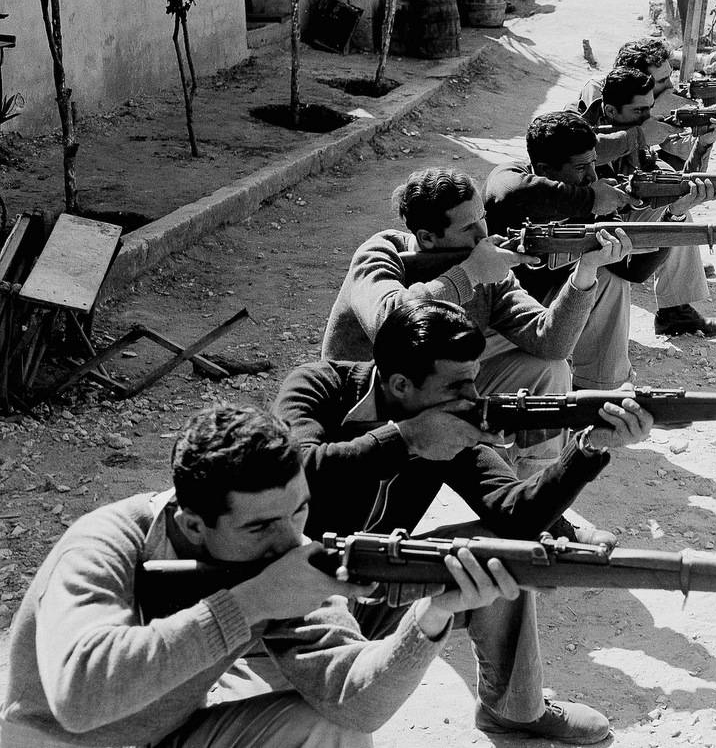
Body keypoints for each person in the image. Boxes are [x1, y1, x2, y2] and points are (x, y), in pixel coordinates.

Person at [0, 403, 519, 748]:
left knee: (330, 732)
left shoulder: (278, 560)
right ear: (194, 525)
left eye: (300, 511)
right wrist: (249, 603)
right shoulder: (105, 542)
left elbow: (356, 704)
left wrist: (431, 618)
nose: (292, 540)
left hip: (164, 739)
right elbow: (79, 700)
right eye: (261, 525)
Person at [277, 299, 653, 742]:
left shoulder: (450, 422)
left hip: (378, 584)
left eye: (473, 383)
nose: (472, 400)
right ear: (400, 384)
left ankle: (514, 710)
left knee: (499, 551)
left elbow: (514, 514)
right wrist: (406, 440)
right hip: (292, 600)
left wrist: (587, 449)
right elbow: (295, 469)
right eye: (457, 388)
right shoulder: (318, 386)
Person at [321, 167, 625, 468]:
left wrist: (585, 273)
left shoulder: (482, 262)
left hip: (440, 384)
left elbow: (552, 343)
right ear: (426, 237)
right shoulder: (380, 253)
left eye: (482, 218)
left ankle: (536, 494)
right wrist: (469, 274)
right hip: (371, 401)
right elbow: (387, 320)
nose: (483, 234)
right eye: (468, 228)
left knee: (551, 370)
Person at [487, 109, 712, 388]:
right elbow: (511, 192)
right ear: (544, 170)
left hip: (556, 310)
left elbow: (633, 271)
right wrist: (591, 199)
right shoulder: (511, 178)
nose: (592, 175)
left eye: (593, 163)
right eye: (581, 168)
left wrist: (674, 217)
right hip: (501, 319)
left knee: (607, 278)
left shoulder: (594, 195)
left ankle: (599, 389)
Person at [577, 42, 716, 337]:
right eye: (662, 81)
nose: (670, 86)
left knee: (677, 209)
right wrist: (641, 132)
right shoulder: (600, 105)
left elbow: (674, 174)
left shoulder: (646, 112)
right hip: (589, 218)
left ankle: (674, 310)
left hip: (624, 203)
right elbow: (587, 149)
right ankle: (673, 308)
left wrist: (704, 142)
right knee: (672, 215)